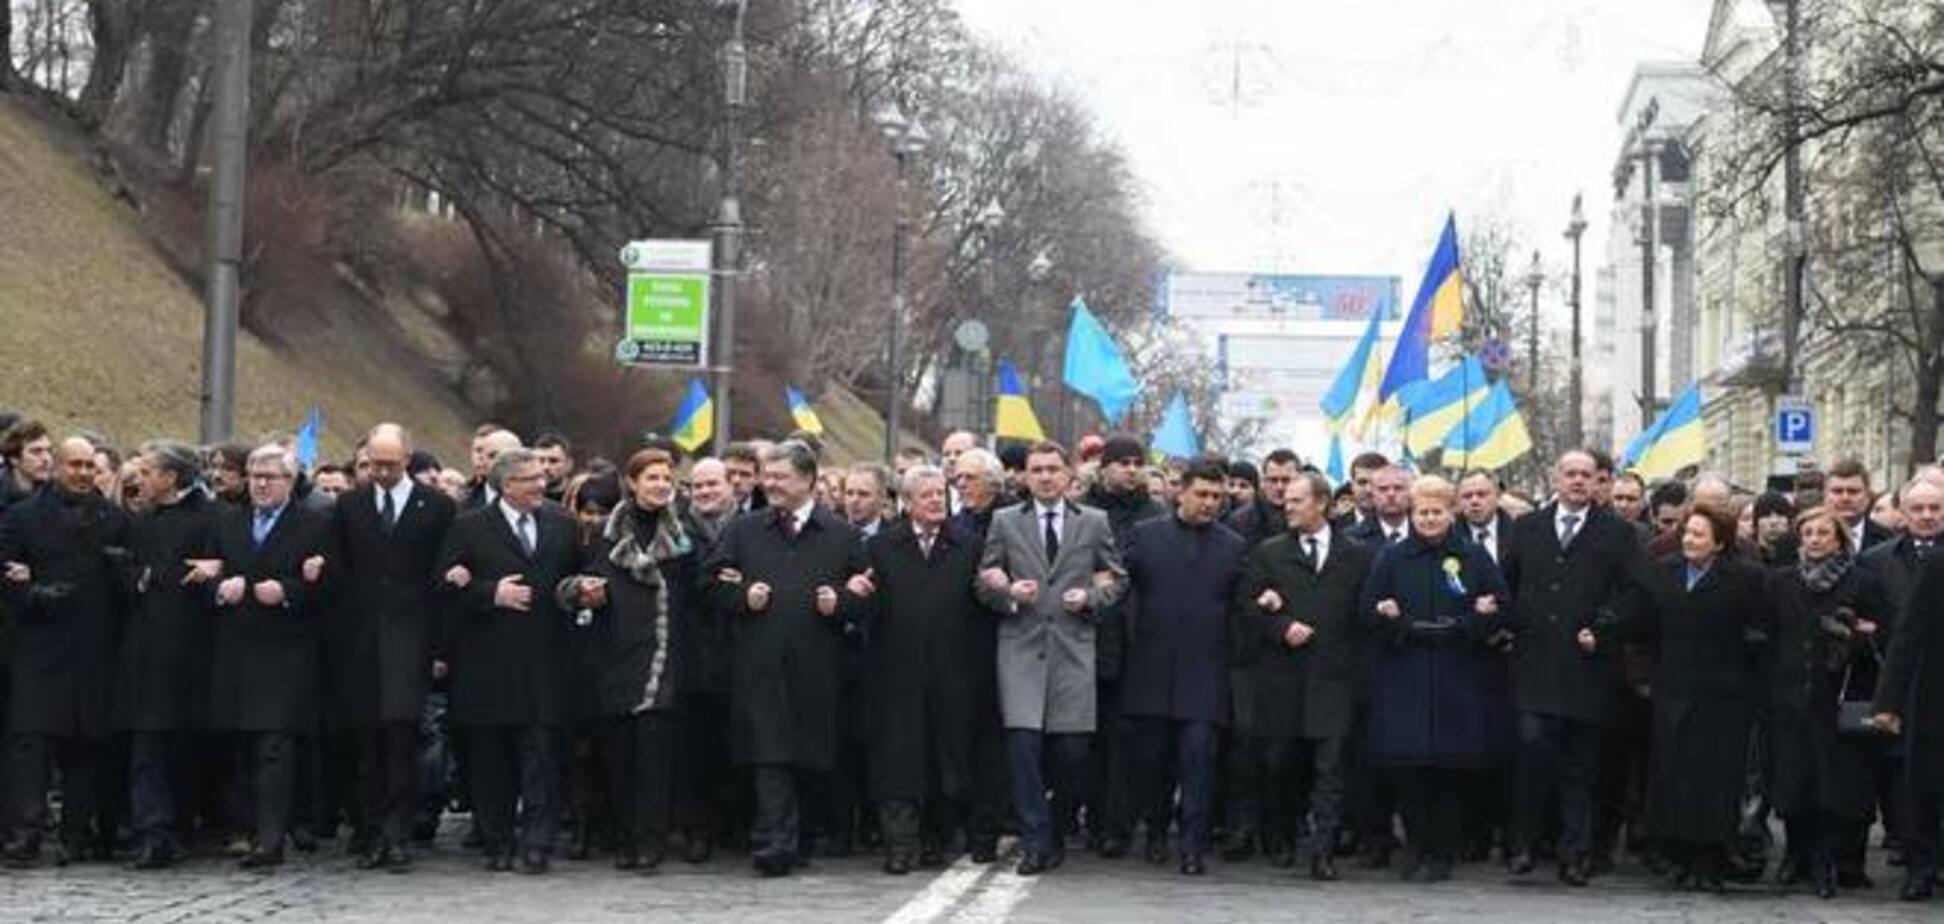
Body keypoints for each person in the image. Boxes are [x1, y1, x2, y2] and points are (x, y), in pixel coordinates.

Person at [702, 441, 867, 877]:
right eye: (767, 476)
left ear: (809, 479)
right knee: (769, 754)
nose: (769, 484)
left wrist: (844, 602)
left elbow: (870, 594)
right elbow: (710, 584)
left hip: (819, 667)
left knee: (810, 758)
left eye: (780, 477)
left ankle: (801, 837)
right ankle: (773, 842)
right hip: (760, 665)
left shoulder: (841, 535)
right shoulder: (743, 531)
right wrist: (741, 596)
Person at [976, 441, 1128, 876]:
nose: (1044, 477)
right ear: (1024, 475)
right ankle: (1036, 838)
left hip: (1073, 650)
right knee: (1022, 747)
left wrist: (1092, 598)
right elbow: (984, 581)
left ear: (1067, 475)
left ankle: (1058, 827)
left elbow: (1117, 579)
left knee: (1072, 753)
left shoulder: (1094, 522)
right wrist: (1006, 592)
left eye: (1052, 469)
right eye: (1036, 469)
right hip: (1021, 648)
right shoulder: (1005, 522)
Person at [1500, 449, 1651, 886]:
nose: (1579, 481)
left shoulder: (1617, 534)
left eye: (1587, 475)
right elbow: (1504, 584)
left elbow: (1635, 594)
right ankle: (1524, 844)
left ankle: (1576, 852)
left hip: (1587, 668)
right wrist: (1503, 622)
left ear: (1598, 481)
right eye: (1571, 474)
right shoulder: (1527, 528)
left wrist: (1604, 626)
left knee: (1581, 766)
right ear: (1555, 478)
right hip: (1535, 665)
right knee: (1532, 754)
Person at [437, 448, 580, 874]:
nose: (541, 484)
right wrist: (488, 593)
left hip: (546, 664)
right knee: (491, 762)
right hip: (488, 668)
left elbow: (576, 575)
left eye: (542, 476)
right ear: (505, 485)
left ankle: (537, 843)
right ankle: (497, 839)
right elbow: (443, 587)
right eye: (530, 478)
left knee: (541, 759)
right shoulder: (468, 527)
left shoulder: (562, 523)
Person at [1360, 475, 1508, 883]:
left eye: (1436, 511)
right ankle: (1416, 844)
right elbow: (1367, 609)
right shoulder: (1392, 558)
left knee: (1448, 770)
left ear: (1451, 513)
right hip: (1405, 674)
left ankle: (1443, 849)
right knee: (1410, 770)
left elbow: (1501, 606)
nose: (1428, 519)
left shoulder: (1474, 557)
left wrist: (1474, 621)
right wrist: (1393, 620)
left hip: (1456, 676)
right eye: (1422, 512)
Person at [562, 447, 701, 871]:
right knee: (619, 758)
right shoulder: (604, 532)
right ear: (633, 482)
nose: (661, 484)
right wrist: (581, 592)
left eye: (667, 478)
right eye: (652, 477)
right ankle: (625, 835)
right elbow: (570, 581)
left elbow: (699, 593)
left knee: (654, 758)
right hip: (615, 653)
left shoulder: (684, 533)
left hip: (665, 657)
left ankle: (650, 841)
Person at [326, 424, 456, 872]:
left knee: (402, 738)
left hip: (411, 638)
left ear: (407, 459)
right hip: (361, 642)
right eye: (374, 464)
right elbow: (339, 574)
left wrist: (440, 647)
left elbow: (441, 580)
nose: (381, 472)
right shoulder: (349, 505)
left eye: (390, 464)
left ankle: (397, 833)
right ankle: (371, 829)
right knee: (367, 741)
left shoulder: (435, 507)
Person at [1232, 471, 1372, 879]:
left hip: (1335, 679)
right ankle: (1281, 835)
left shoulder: (1357, 554)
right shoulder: (1269, 552)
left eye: (1296, 500)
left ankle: (1322, 849)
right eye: (1286, 500)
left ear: (1322, 504)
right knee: (1281, 763)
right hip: (1283, 680)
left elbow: (1364, 616)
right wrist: (1280, 626)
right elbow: (1247, 606)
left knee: (1330, 767)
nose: (1287, 506)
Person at [0, 436, 129, 866]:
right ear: (56, 466)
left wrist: (122, 571)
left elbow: (127, 580)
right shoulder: (22, 516)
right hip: (40, 647)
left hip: (95, 648)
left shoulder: (112, 517)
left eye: (90, 466)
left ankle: (78, 832)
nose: (83, 474)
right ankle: (26, 833)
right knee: (31, 746)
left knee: (86, 747)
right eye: (74, 465)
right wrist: (33, 593)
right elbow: (5, 572)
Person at [850, 466, 983, 874]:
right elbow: (867, 607)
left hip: (952, 673)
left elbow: (979, 608)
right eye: (925, 495)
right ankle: (900, 845)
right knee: (898, 761)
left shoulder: (968, 545)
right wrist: (855, 594)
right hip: (896, 673)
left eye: (940, 493)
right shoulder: (883, 547)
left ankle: (935, 839)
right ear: (907, 502)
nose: (935, 501)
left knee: (946, 759)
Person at [207, 444, 334, 870]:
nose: (260, 483)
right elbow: (206, 571)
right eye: (255, 475)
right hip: (234, 647)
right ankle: (242, 827)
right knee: (240, 742)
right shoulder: (227, 521)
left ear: (290, 481)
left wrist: (289, 591)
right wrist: (220, 587)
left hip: (285, 650)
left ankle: (271, 837)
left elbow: (331, 588)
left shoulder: (314, 524)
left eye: (270, 476)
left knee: (273, 744)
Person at [1120, 458, 1247, 875]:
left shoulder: (1232, 545)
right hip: (1152, 668)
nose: (1210, 503)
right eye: (1202, 494)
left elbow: (1239, 607)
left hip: (1205, 672)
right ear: (1181, 492)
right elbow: (1121, 587)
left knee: (1199, 761)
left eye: (1217, 496)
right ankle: (1156, 831)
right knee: (1152, 759)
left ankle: (1192, 845)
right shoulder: (1145, 536)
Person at [1637, 505, 1767, 892]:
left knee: (1715, 778)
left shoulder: (1746, 578)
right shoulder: (1665, 572)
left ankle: (1709, 857)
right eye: (1687, 533)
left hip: (1725, 695)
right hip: (1674, 689)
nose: (1689, 540)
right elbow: (1647, 626)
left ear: (1720, 542)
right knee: (1673, 774)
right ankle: (1676, 853)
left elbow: (1760, 630)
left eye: (1698, 534)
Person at [1767, 506, 1885, 899]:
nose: (1815, 540)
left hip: (1834, 696)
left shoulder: (1860, 581)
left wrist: (1858, 636)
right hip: (1789, 695)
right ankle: (1794, 856)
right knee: (1792, 780)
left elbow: (1879, 636)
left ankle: (1827, 859)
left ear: (1839, 540)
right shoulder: (1782, 581)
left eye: (1823, 533)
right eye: (1808, 533)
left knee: (1832, 783)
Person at [117, 441, 222, 870]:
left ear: (170, 478)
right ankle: (152, 830)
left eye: (147, 471)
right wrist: (139, 577)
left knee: (181, 746)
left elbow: (221, 567)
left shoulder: (211, 519)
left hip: (191, 653)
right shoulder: (141, 521)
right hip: (145, 654)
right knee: (147, 745)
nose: (138, 479)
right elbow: (126, 570)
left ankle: (180, 826)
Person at [1078, 433, 1163, 857]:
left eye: (1137, 462)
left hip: (1135, 642)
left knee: (1124, 741)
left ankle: (1118, 824)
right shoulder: (1084, 512)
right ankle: (1089, 818)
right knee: (1084, 741)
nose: (1131, 469)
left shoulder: (1156, 515)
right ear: (1104, 467)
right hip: (1084, 635)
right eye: (1122, 462)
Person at [1872, 510, 1944, 901]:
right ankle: (1922, 867)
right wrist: (1888, 701)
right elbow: (1908, 635)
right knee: (1924, 787)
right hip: (1935, 693)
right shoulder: (1935, 564)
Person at [949, 447, 1009, 863]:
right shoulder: (954, 524)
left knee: (993, 744)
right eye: (958, 479)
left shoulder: (1011, 521)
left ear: (992, 480)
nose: (961, 485)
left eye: (969, 477)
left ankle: (986, 827)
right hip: (960, 648)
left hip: (1005, 643)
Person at [1825, 459, 1893, 555]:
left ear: (1868, 496)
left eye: (1853, 491)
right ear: (1825, 496)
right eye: (1837, 491)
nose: (1845, 498)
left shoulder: (1889, 540)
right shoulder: (1803, 539)